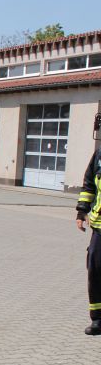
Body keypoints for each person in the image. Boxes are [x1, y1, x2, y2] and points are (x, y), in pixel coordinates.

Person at [75, 135, 101, 335]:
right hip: (99, 227)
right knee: (95, 271)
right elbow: (89, 185)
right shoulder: (99, 155)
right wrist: (81, 211)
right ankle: (98, 319)